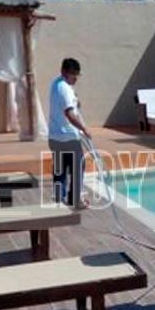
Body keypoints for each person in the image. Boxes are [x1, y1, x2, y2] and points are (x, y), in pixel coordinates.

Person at [48, 57, 92, 209]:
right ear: (64, 72)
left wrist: (75, 101)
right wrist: (84, 128)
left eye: (77, 75)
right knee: (78, 167)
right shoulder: (65, 89)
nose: (75, 78)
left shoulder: (57, 83)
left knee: (60, 169)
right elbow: (70, 114)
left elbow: (68, 103)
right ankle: (75, 199)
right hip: (68, 137)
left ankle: (59, 199)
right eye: (73, 74)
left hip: (55, 137)